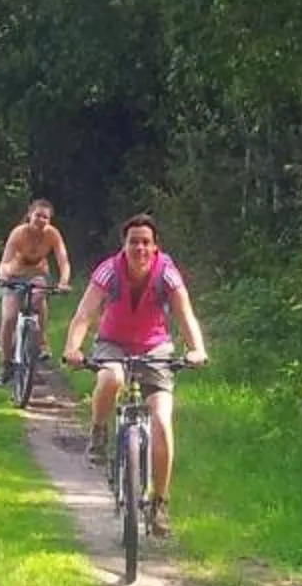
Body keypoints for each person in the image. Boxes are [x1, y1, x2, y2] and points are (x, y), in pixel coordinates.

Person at [62, 213, 207, 529]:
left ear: (156, 247)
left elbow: (185, 315)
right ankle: (99, 432)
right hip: (112, 343)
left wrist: (196, 349)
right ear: (123, 245)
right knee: (111, 377)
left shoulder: (167, 274)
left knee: (162, 421)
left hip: (155, 349)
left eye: (146, 242)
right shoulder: (108, 271)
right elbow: (84, 313)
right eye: (133, 242)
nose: (139, 248)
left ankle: (159, 504)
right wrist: (73, 347)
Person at [0, 197, 72, 383]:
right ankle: (6, 363)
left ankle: (41, 343)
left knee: (39, 297)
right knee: (9, 318)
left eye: (46, 217)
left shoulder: (52, 235)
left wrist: (63, 281)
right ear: (30, 215)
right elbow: (5, 262)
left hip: (38, 275)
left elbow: (63, 260)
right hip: (15, 275)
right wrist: (3, 275)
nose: (41, 221)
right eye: (38, 216)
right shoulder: (18, 233)